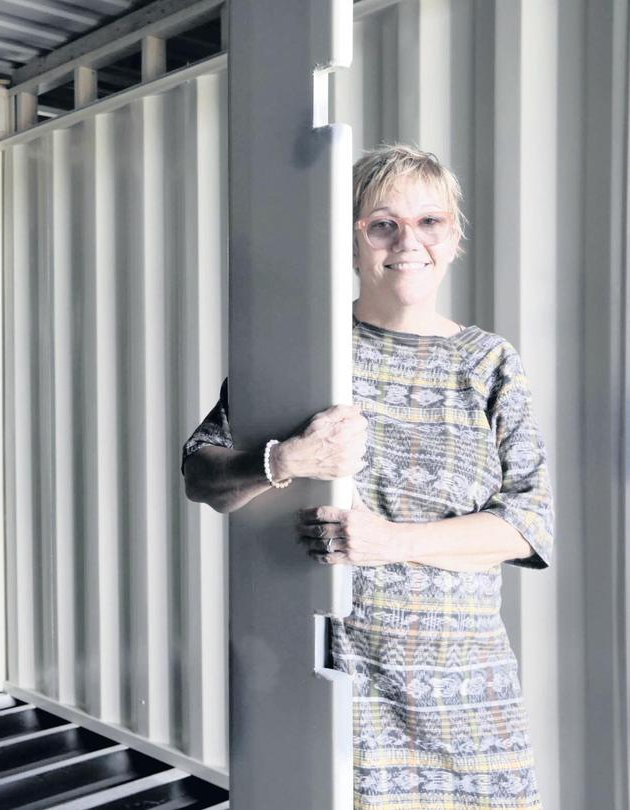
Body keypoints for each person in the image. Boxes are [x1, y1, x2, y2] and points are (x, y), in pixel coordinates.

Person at [182, 143, 554, 810]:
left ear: (455, 236)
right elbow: (200, 473)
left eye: (430, 221)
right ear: (351, 245)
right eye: (382, 223)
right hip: (337, 688)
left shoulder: (490, 362)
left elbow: (528, 524)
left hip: (469, 696)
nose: (408, 241)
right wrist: (285, 460)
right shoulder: (301, 353)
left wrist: (392, 541)